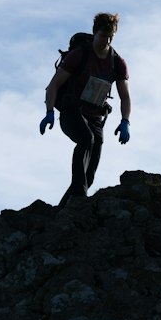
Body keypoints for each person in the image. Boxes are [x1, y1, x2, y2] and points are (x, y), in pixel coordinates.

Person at [40, 12, 131, 206]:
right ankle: (80, 199)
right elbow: (54, 85)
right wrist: (49, 112)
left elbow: (125, 96)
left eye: (111, 36)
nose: (107, 40)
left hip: (95, 117)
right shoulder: (80, 55)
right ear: (95, 32)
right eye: (103, 35)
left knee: (89, 174)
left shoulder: (117, 63)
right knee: (85, 139)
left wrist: (125, 121)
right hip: (71, 112)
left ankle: (64, 211)